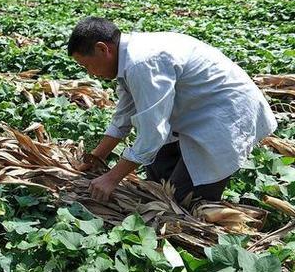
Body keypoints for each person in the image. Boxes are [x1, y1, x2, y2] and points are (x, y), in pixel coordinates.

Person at [69, 16, 277, 204]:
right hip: (197, 114)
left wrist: (111, 178)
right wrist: (96, 158)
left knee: (181, 203)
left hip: (227, 116)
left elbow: (153, 133)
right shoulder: (128, 59)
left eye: (86, 65)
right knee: (157, 179)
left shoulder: (142, 63)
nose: (91, 73)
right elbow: (123, 117)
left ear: (102, 49)